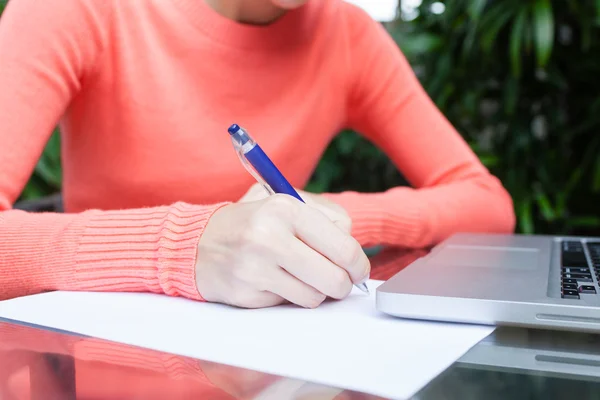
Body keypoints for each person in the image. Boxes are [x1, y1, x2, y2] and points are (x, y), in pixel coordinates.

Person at [0, 0, 516, 309]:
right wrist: (185, 247)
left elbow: (488, 204)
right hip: (110, 366)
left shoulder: (347, 35)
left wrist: (330, 218)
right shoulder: (80, 8)